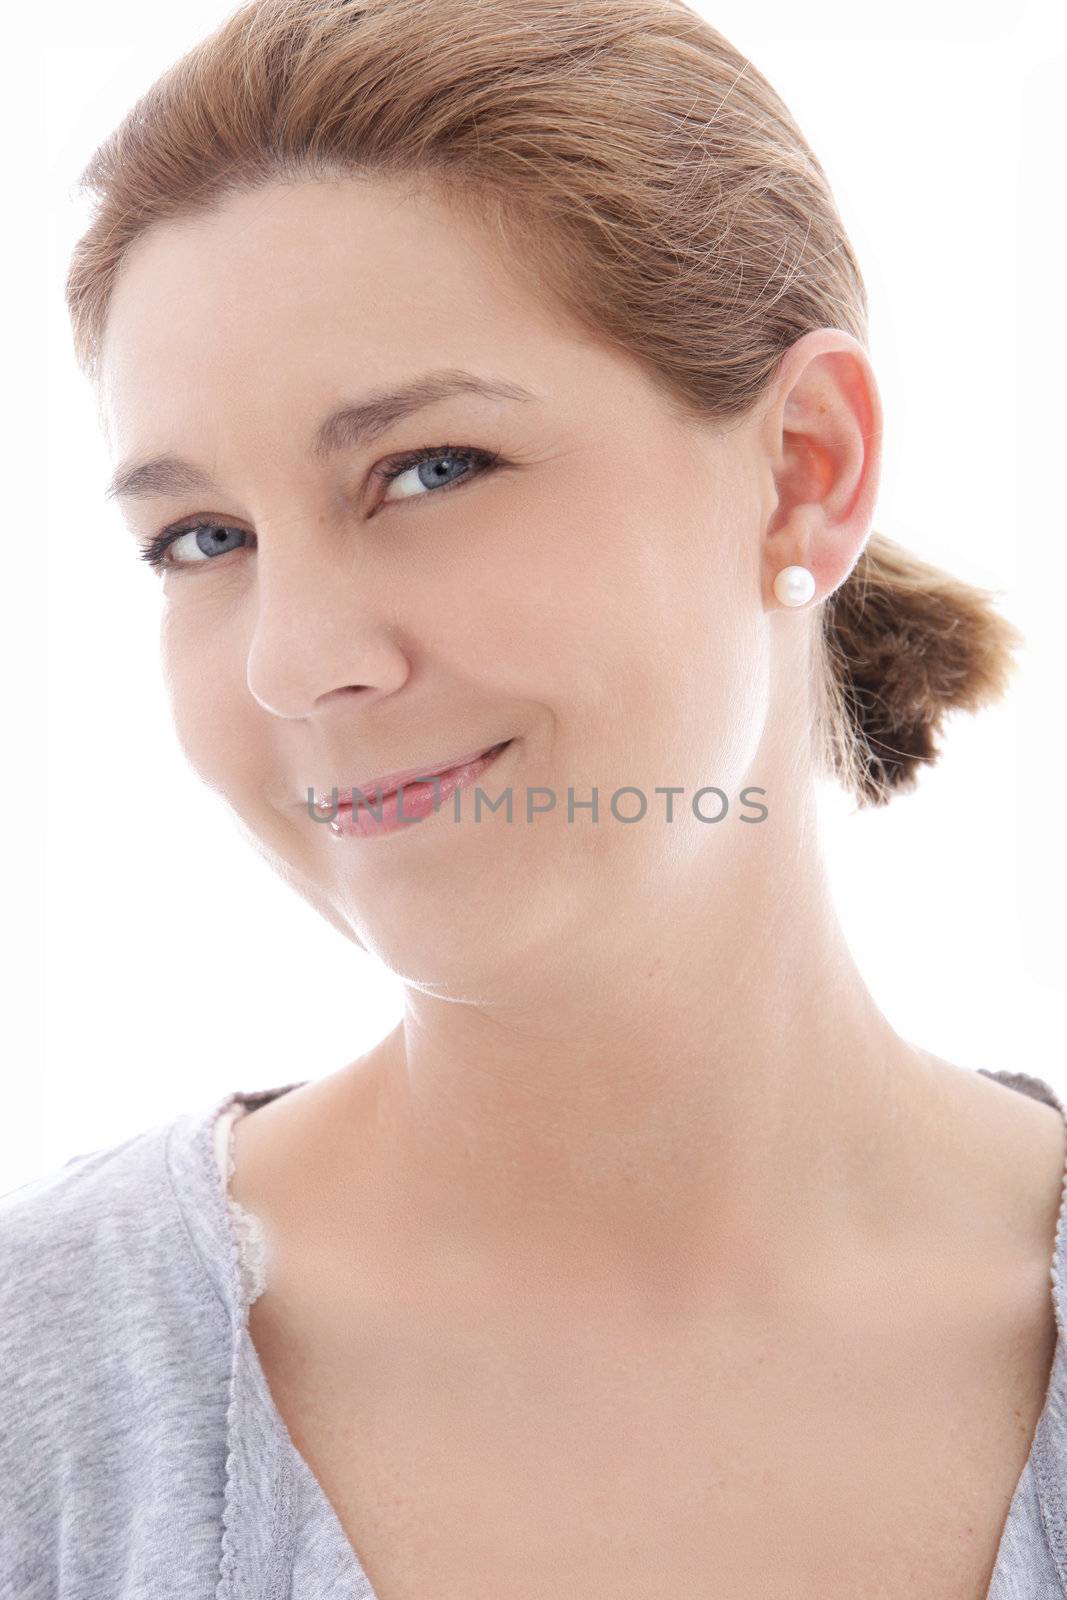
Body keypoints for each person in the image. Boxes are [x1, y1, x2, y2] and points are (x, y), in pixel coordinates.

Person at [3, 0, 1063, 1595]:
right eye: (203, 538)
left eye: (430, 468)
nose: (299, 660)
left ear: (805, 468)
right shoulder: (46, 1394)